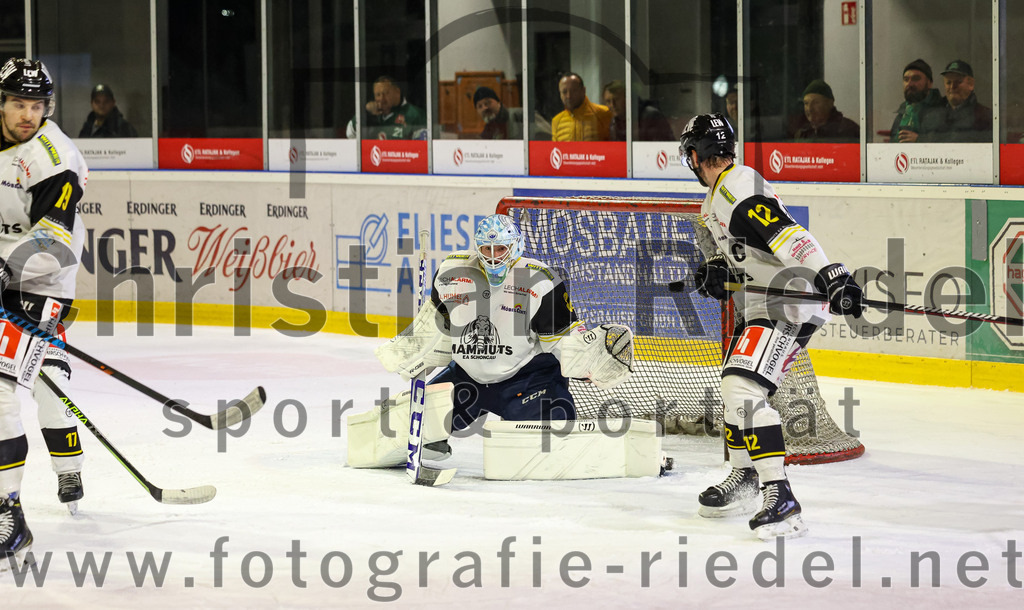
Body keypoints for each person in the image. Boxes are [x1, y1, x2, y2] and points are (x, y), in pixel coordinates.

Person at [678, 113, 863, 540]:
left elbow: (788, 235)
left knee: (743, 389)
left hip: (790, 302)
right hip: (767, 301)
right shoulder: (720, 195)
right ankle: (744, 476)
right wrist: (720, 270)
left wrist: (830, 273)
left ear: (693, 156)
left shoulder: (736, 189)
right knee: (733, 386)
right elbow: (755, 249)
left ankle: (779, 496)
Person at [375, 215, 633, 445]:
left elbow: (559, 339)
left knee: (558, 429)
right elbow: (438, 325)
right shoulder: (451, 273)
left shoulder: (540, 281)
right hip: (467, 379)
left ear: (516, 247)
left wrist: (583, 363)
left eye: (501, 248)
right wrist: (413, 349)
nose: (494, 256)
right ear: (477, 247)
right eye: (487, 249)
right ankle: (432, 441)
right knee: (400, 427)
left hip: (525, 382)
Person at [0, 59, 89, 566]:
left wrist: (5, 272)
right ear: (2, 103)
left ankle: (66, 467)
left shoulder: (55, 159)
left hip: (44, 281)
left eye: (37, 106)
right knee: (3, 389)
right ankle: (7, 505)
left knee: (44, 386)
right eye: (18, 104)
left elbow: (53, 246)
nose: (27, 115)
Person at [929, 60, 992, 143]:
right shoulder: (933, 114)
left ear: (971, 84)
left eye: (958, 82)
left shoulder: (985, 117)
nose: (952, 86)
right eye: (948, 82)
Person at [345, 75, 426, 140]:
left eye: (386, 93)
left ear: (397, 92)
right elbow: (350, 134)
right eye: (378, 95)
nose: (381, 99)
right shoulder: (371, 115)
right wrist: (365, 112)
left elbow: (424, 148)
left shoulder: (415, 114)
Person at [890, 58, 944, 143]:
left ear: (929, 83)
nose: (909, 84)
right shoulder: (902, 113)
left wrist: (920, 140)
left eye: (916, 79)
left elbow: (948, 143)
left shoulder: (943, 109)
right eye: (906, 79)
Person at [602, 80, 674, 142]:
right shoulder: (614, 123)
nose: (612, 105)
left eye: (616, 99)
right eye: (608, 101)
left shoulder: (650, 116)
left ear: (627, 98)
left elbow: (659, 148)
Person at [790, 79, 859, 142]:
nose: (809, 109)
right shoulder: (802, 133)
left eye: (816, 102)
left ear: (830, 103)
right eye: (806, 103)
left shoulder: (848, 130)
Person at [551, 73, 612, 142]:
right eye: (564, 92)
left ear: (583, 91)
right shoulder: (557, 121)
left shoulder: (603, 113)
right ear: (560, 94)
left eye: (574, 91)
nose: (569, 96)